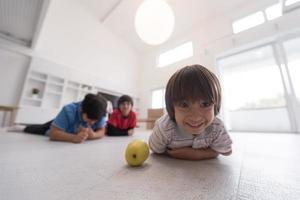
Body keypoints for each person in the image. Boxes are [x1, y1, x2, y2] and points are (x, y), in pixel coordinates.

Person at [148, 64, 232, 160]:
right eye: (184, 105)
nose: (195, 117)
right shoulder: (164, 128)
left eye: (205, 104)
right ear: (172, 107)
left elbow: (226, 151)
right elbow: (156, 150)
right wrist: (172, 154)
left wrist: (197, 154)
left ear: (215, 105)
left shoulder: (217, 127)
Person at [12, 93, 107, 143]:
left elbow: (102, 131)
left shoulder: (99, 111)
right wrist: (74, 138)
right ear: (82, 109)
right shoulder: (69, 110)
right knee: (34, 128)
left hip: (68, 128)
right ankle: (21, 127)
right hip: (54, 127)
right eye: (90, 120)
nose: (93, 123)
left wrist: (94, 135)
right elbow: (53, 133)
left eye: (96, 121)